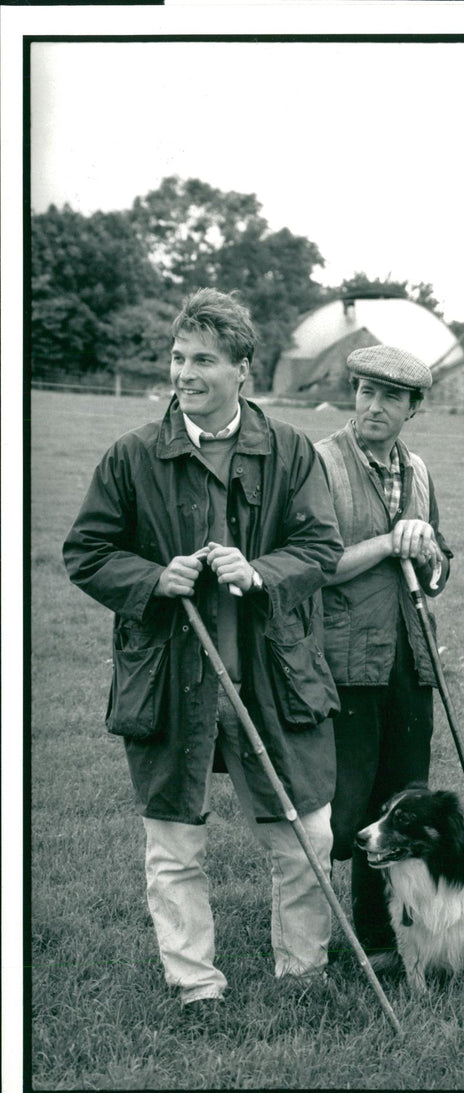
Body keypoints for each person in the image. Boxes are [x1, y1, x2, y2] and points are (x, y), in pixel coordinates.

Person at [63, 288, 343, 1020]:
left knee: (306, 833)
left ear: (243, 370)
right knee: (174, 841)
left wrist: (261, 571)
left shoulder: (290, 450)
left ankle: (303, 971)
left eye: (205, 360)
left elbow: (321, 547)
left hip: (272, 677)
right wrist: (154, 577)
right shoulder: (132, 455)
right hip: (169, 679)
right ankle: (195, 981)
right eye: (180, 357)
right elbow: (86, 551)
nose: (185, 372)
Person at [315, 345, 453, 966]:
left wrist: (428, 553)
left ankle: (380, 940)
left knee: (400, 805)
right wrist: (388, 542)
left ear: (413, 407)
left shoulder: (419, 470)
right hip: (344, 659)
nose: (374, 406)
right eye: (365, 391)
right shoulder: (320, 463)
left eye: (390, 397)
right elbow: (313, 566)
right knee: (342, 809)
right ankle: (312, 940)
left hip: (410, 658)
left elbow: (439, 567)